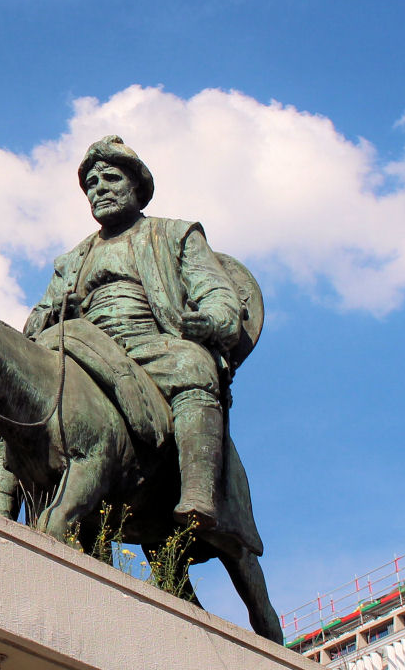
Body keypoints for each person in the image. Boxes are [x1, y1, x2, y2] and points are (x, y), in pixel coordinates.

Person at [23, 136, 242, 532]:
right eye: (92, 184)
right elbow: (35, 320)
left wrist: (209, 321)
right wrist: (54, 313)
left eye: (111, 178)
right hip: (82, 349)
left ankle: (198, 489)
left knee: (193, 364)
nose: (99, 189)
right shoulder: (71, 261)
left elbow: (219, 296)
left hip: (152, 345)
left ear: (137, 187)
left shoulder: (176, 234)